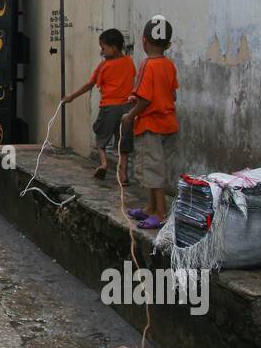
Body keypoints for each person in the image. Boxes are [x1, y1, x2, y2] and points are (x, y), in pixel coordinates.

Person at [121, 16, 178, 230]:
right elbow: (171, 95)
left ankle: (161, 213)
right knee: (160, 168)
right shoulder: (169, 65)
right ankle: (150, 208)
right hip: (168, 124)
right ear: (168, 44)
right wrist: (140, 100)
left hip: (150, 125)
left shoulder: (147, 65)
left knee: (153, 172)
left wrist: (131, 114)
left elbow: (147, 99)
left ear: (144, 40)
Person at [64, 28, 136, 184]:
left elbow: (89, 85)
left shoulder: (104, 66)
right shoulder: (129, 62)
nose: (102, 51)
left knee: (101, 138)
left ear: (114, 47)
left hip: (109, 107)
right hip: (127, 109)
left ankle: (103, 163)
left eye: (103, 48)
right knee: (123, 142)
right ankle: (123, 174)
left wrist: (71, 96)